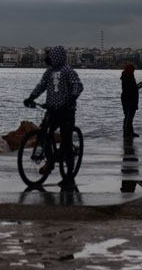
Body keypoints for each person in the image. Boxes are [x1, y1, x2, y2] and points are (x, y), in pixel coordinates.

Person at [24, 45, 84, 186]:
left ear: (56, 56)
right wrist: (31, 97)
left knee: (66, 140)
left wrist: (72, 99)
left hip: (66, 111)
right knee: (44, 132)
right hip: (52, 109)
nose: (47, 57)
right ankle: (50, 162)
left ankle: (69, 176)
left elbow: (78, 86)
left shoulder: (67, 70)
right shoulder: (49, 71)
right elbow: (41, 86)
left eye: (49, 55)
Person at [120, 63, 142, 138]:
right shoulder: (128, 77)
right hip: (129, 99)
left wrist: (137, 86)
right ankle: (127, 133)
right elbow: (130, 89)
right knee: (128, 117)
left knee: (129, 117)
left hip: (130, 99)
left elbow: (131, 88)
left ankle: (130, 132)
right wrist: (138, 86)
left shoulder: (127, 76)